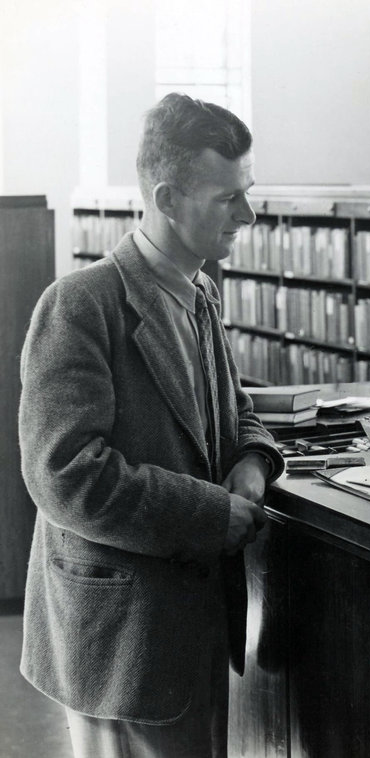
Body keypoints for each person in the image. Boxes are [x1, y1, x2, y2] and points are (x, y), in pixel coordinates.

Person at [18, 93, 284, 758]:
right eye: (229, 198)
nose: (247, 215)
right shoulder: (80, 306)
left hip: (188, 626)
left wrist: (254, 460)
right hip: (120, 638)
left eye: (247, 193)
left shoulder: (196, 293)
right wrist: (207, 514)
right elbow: (65, 477)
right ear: (167, 198)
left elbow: (235, 408)